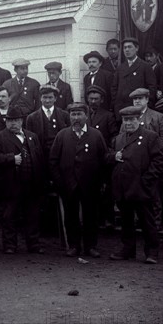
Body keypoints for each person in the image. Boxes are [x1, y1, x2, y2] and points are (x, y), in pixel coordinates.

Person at [49, 103, 108, 257]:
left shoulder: (96, 135)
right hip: (68, 185)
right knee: (70, 216)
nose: (76, 118)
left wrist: (101, 182)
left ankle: (91, 246)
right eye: (73, 114)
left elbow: (104, 160)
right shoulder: (62, 135)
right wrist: (60, 183)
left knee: (91, 216)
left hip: (90, 185)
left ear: (86, 116)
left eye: (79, 114)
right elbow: (53, 161)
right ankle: (74, 245)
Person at [109, 106, 163, 264]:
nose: (128, 123)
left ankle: (152, 252)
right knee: (126, 221)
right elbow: (110, 155)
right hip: (123, 188)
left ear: (138, 120)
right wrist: (114, 156)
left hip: (142, 188)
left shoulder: (150, 137)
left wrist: (147, 180)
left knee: (147, 221)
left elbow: (159, 160)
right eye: (125, 120)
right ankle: (128, 250)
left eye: (131, 120)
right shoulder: (119, 139)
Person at [0, 106, 46, 254]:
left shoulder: (32, 137)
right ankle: (10, 245)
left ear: (21, 121)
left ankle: (33, 244)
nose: (13, 124)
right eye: (9, 121)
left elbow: (40, 158)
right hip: (10, 183)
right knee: (9, 216)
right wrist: (11, 159)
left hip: (31, 183)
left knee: (32, 215)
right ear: (5, 122)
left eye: (15, 120)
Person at [86, 86, 118, 230]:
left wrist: (108, 152)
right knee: (90, 189)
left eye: (96, 99)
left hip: (102, 158)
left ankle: (109, 220)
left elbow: (113, 137)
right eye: (91, 99)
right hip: (86, 158)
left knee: (106, 189)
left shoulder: (108, 116)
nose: (93, 101)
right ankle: (95, 220)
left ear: (102, 100)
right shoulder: (83, 115)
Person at [111, 37, 157, 118]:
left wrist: (146, 107)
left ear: (136, 48)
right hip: (122, 109)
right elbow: (114, 88)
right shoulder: (120, 68)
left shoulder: (145, 66)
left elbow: (152, 88)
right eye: (125, 48)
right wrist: (116, 104)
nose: (127, 50)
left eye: (129, 47)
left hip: (138, 110)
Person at [26, 85, 70, 161]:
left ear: (55, 99)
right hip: (41, 156)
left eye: (50, 97)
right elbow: (30, 142)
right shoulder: (31, 118)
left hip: (60, 155)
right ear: (40, 98)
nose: (47, 100)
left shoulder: (64, 115)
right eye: (45, 97)